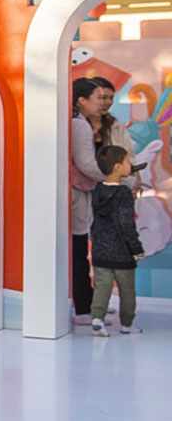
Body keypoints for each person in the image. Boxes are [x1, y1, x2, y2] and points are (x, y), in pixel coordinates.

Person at [90, 145, 146, 337]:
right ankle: (127, 324)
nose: (129, 164)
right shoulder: (123, 194)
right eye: (126, 161)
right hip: (122, 253)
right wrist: (136, 249)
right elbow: (126, 225)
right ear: (116, 167)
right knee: (127, 290)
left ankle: (97, 319)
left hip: (100, 251)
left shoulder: (97, 191)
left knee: (102, 288)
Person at [71, 78, 108, 325]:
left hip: (78, 193)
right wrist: (113, 178)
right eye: (99, 97)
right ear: (81, 100)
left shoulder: (78, 122)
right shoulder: (80, 125)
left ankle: (87, 303)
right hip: (77, 194)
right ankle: (84, 306)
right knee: (78, 250)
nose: (103, 103)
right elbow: (85, 164)